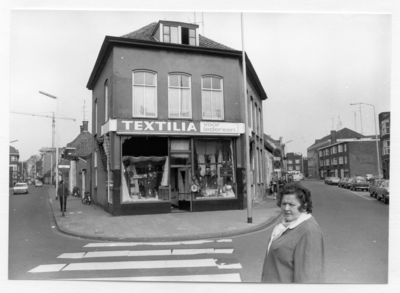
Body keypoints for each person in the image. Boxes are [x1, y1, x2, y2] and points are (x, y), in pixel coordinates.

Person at [261, 182, 326, 283]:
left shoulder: (309, 232)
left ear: (304, 206)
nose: (286, 209)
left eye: (291, 205)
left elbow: (309, 279)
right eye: (284, 204)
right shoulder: (285, 226)